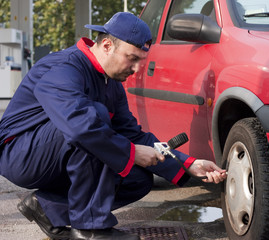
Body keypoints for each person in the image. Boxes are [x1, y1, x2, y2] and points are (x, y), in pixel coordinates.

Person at [0, 12, 227, 240]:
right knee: (93, 119)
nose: (137, 69)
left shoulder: (111, 84)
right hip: (20, 154)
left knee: (137, 178)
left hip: (55, 150)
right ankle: (89, 229)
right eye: (132, 58)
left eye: (141, 61)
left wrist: (188, 163)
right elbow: (78, 126)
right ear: (107, 45)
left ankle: (49, 207)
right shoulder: (64, 67)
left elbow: (132, 134)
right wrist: (131, 152)